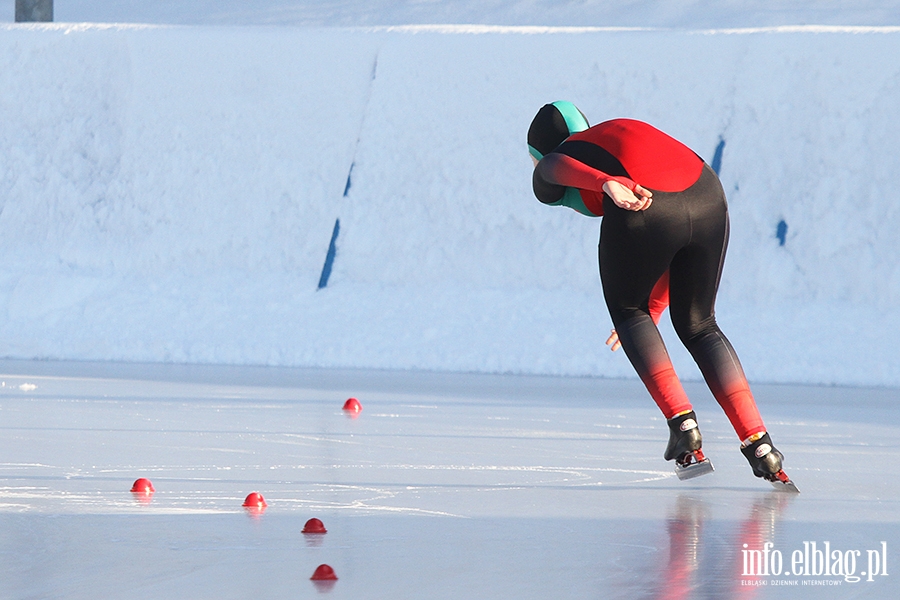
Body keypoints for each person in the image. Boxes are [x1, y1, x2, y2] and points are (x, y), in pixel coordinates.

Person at [528, 101, 796, 490]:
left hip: (645, 201)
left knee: (627, 310)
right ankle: (761, 446)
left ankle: (683, 426)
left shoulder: (561, 160)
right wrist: (651, 313)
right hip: (707, 193)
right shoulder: (614, 133)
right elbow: (675, 235)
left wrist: (604, 182)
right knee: (700, 324)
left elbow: (553, 167)